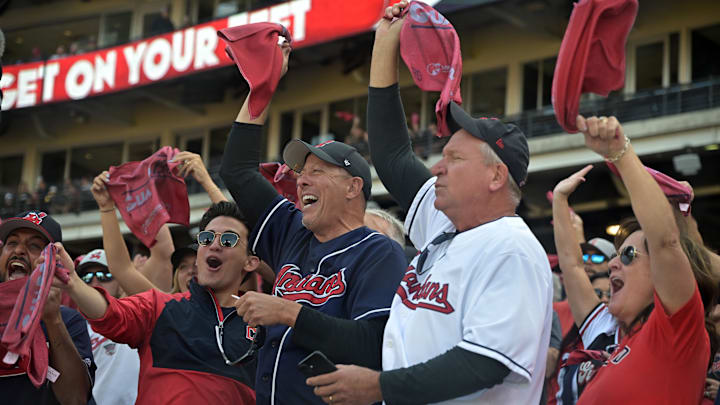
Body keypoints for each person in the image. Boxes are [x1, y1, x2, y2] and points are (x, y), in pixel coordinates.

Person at [306, 3, 553, 404]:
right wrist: (384, 45)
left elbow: (483, 363)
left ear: (495, 176)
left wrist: (377, 386)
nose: (437, 167)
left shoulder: (513, 249)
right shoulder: (446, 226)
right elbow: (392, 156)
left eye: (455, 159)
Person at [219, 40, 407, 405]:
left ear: (354, 188)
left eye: (317, 172)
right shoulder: (292, 231)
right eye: (301, 172)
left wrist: (289, 313)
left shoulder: (379, 253)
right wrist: (263, 86)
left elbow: (375, 344)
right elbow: (237, 171)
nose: (301, 180)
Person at [551, 114, 718, 404]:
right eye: (616, 255)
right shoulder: (614, 338)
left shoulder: (677, 331)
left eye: (628, 255)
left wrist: (619, 153)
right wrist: (560, 202)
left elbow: (665, 242)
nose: (614, 263)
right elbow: (572, 265)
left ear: (662, 274)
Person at [53, 201, 260, 404]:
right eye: (205, 239)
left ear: (250, 262)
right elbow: (110, 312)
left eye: (228, 240)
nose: (214, 245)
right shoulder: (161, 306)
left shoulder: (264, 326)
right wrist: (73, 283)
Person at [0, 210, 95, 404]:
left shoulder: (68, 320)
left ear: (53, 263)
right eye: (12, 243)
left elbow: (75, 399)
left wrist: (53, 320)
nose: (18, 251)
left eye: (34, 245)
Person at [76, 249, 140, 405]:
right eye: (87, 278)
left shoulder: (139, 317)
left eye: (105, 275)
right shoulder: (72, 328)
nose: (95, 283)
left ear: (121, 281)